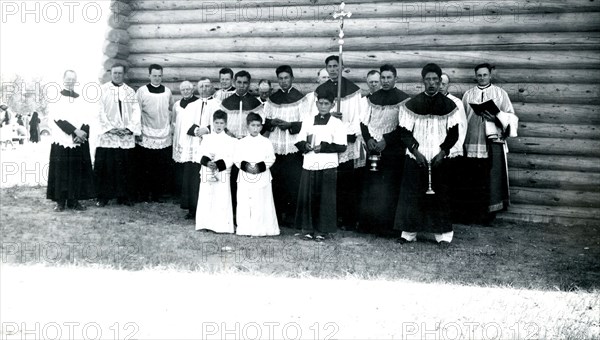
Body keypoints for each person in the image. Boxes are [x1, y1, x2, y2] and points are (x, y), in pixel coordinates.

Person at [389, 63, 460, 246]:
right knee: (411, 195)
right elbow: (404, 132)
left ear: (440, 81)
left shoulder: (450, 105)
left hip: (439, 158)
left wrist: (443, 152)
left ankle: (443, 236)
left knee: (440, 196)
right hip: (416, 157)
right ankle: (409, 234)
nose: (431, 83)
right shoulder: (412, 104)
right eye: (428, 80)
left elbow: (454, 134)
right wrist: (415, 151)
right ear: (423, 81)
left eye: (435, 80)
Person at [459, 63, 519, 223]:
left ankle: (488, 215)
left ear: (490, 75)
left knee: (489, 178)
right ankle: (472, 213)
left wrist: (497, 118)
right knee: (473, 178)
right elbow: (462, 118)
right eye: (479, 75)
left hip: (491, 142)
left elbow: (511, 116)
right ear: (475, 76)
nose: (482, 77)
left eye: (485, 74)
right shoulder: (468, 95)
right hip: (472, 141)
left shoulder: (500, 94)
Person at [358, 64, 410, 236]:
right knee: (373, 186)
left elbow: (404, 127)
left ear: (396, 78)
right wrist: (369, 139)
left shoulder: (403, 99)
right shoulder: (372, 98)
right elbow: (363, 122)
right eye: (383, 78)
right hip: (374, 148)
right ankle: (371, 225)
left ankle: (390, 227)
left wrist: (386, 141)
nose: (385, 81)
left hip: (393, 150)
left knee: (389, 187)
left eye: (389, 77)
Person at [314, 55, 364, 230]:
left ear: (342, 67)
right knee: (329, 180)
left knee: (346, 182)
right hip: (328, 141)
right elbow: (316, 114)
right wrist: (329, 117)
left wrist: (349, 132)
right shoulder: (321, 89)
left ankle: (348, 218)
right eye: (330, 66)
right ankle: (331, 218)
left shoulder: (353, 90)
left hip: (347, 140)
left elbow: (359, 116)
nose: (333, 69)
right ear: (326, 68)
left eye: (336, 66)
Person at [295, 88, 347, 241]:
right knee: (309, 196)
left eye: (327, 104)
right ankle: (308, 229)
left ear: (332, 105)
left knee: (325, 198)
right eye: (321, 103)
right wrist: (306, 146)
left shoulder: (337, 123)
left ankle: (322, 230)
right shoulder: (308, 119)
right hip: (310, 163)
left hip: (327, 164)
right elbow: (299, 140)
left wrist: (322, 147)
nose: (323, 106)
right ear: (316, 104)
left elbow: (341, 146)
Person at [262, 65, 309, 226]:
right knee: (277, 181)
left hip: (292, 146)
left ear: (292, 78)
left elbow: (305, 123)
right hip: (275, 145)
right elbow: (264, 121)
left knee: (292, 182)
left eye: (286, 78)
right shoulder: (272, 99)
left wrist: (290, 124)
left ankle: (291, 216)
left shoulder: (301, 99)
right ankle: (277, 215)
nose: (283, 81)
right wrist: (271, 122)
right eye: (280, 79)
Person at [46, 70, 95, 211]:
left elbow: (88, 117)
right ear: (63, 79)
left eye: (73, 79)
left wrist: (83, 132)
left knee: (76, 170)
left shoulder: (81, 99)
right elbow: (58, 119)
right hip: (62, 139)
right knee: (62, 170)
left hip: (78, 140)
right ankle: (60, 201)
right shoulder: (56, 98)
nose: (70, 81)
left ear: (76, 80)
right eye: (68, 79)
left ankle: (74, 200)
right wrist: (75, 131)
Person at [94, 63, 142, 207]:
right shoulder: (103, 90)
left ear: (124, 74)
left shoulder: (130, 92)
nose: (117, 75)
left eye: (120, 73)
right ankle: (103, 197)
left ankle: (124, 196)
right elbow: (99, 111)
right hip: (109, 135)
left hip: (125, 135)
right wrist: (110, 128)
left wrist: (129, 128)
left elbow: (136, 111)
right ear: (111, 74)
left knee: (125, 167)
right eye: (115, 73)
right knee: (107, 167)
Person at [220, 70, 263, 213]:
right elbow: (221, 123)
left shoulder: (255, 103)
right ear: (234, 83)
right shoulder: (226, 102)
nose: (242, 86)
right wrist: (227, 132)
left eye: (245, 83)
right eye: (239, 82)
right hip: (231, 144)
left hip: (247, 145)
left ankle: (245, 212)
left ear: (249, 84)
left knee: (246, 177)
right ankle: (230, 211)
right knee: (230, 178)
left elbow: (258, 124)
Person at [172, 80, 216, 219]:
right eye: (201, 86)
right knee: (192, 177)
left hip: (209, 143)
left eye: (207, 86)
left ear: (211, 88)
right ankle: (192, 208)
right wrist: (197, 130)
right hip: (194, 143)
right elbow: (185, 124)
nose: (204, 89)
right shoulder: (191, 106)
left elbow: (220, 122)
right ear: (197, 88)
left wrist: (207, 129)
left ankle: (208, 210)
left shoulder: (217, 104)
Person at [234, 112, 280, 236]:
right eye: (253, 125)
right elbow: (237, 158)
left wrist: (259, 168)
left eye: (258, 126)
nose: (255, 128)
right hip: (245, 176)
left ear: (261, 127)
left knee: (261, 202)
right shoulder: (241, 142)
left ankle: (262, 229)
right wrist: (247, 167)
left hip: (262, 175)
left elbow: (271, 158)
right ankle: (245, 229)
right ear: (247, 126)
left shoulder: (266, 142)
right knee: (245, 202)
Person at [135, 64, 174, 202]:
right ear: (149, 75)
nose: (157, 78)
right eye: (154, 75)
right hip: (146, 132)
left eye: (159, 76)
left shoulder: (167, 91)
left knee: (160, 166)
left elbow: (170, 109)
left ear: (162, 76)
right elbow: (136, 111)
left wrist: (169, 127)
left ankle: (158, 194)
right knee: (146, 166)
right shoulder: (142, 91)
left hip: (163, 133)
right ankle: (144, 194)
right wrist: (137, 130)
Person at [196, 110, 237, 233]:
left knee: (221, 197)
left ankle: (220, 225)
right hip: (207, 170)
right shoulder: (206, 138)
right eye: (216, 123)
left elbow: (231, 157)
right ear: (212, 123)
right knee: (206, 196)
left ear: (225, 124)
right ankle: (205, 223)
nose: (219, 126)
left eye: (221, 123)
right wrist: (207, 162)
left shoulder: (230, 140)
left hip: (222, 172)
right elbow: (198, 154)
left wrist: (218, 165)